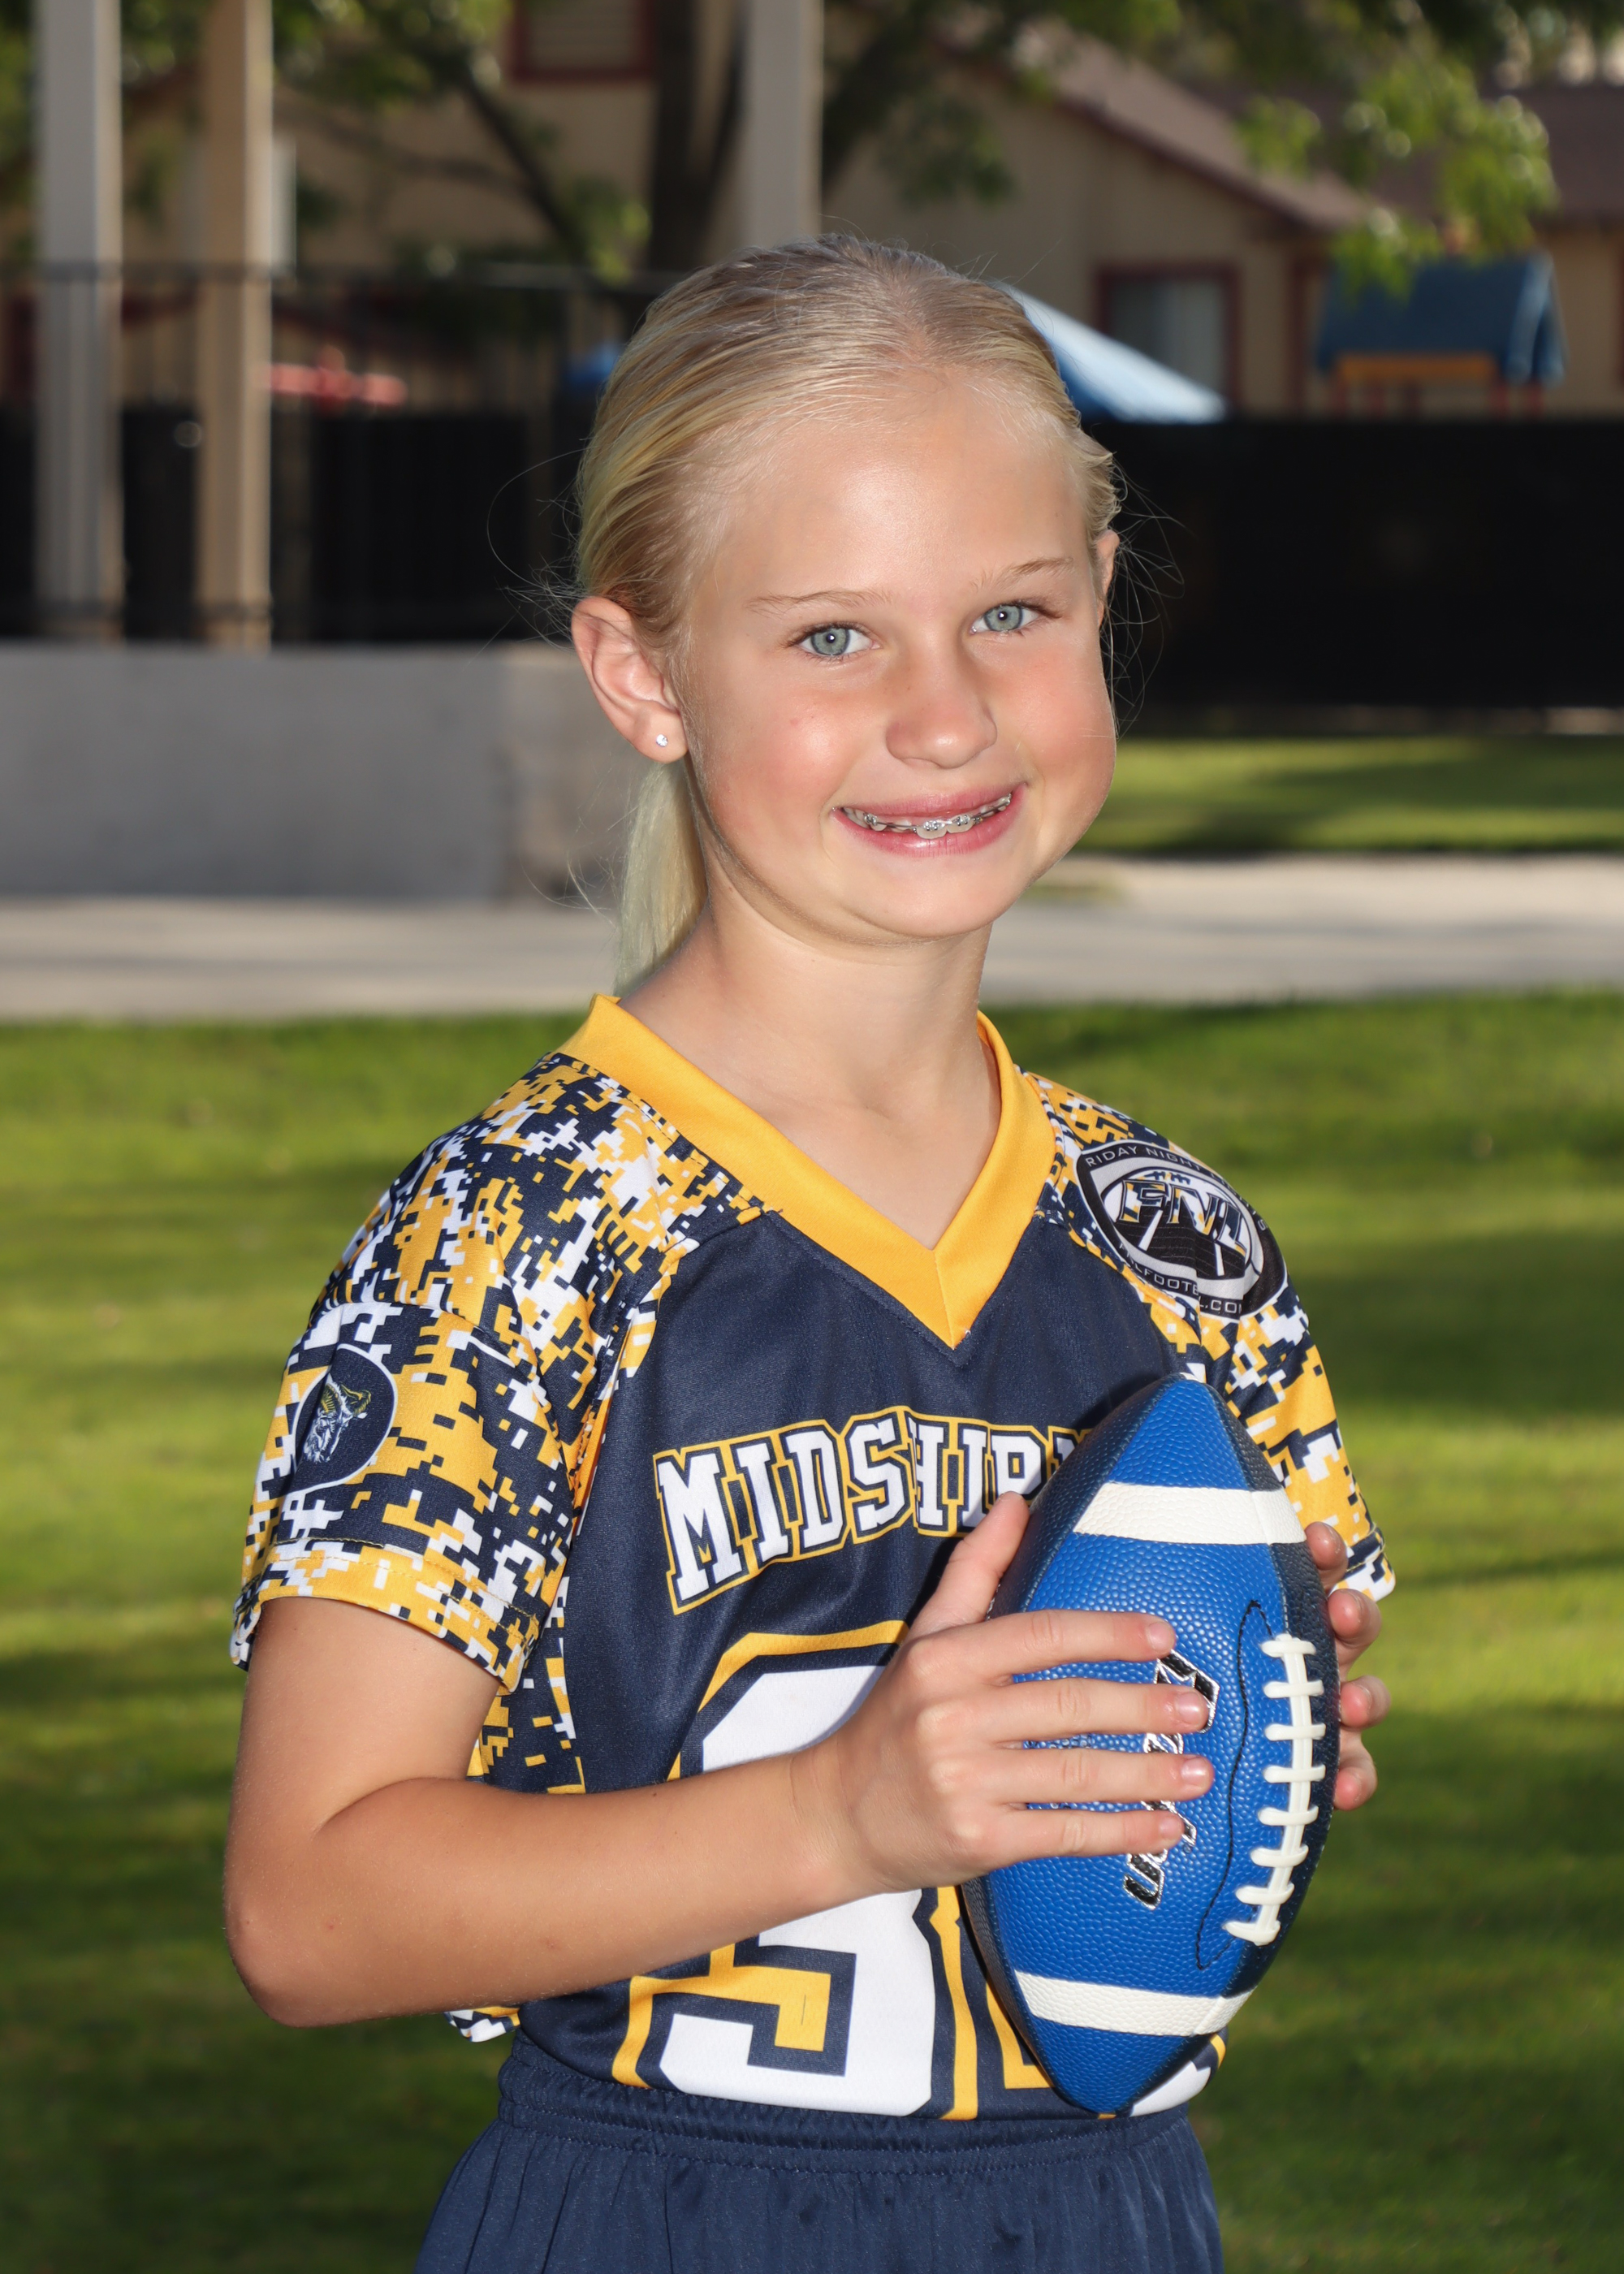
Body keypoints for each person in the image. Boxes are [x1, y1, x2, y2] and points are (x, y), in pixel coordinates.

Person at [224, 238, 1393, 2274]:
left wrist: (1255, 1739)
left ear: (1103, 598)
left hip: (1107, 2210)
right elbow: (307, 1910)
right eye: (835, 634)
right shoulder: (519, 1237)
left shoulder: (1175, 1242)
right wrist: (847, 1809)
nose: (945, 714)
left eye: (1011, 611)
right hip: (662, 2208)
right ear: (646, 674)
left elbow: (1232, 1759)